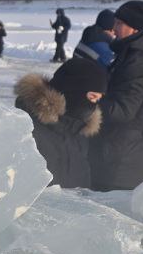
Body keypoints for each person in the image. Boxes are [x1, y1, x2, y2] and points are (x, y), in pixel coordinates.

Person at [88, 0, 143, 190]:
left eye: (119, 23)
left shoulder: (140, 62)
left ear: (135, 29)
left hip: (124, 159)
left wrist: (98, 101)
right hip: (124, 151)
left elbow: (125, 111)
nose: (114, 27)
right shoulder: (134, 54)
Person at [13, 59, 108, 188]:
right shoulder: (27, 127)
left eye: (98, 99)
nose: (94, 105)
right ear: (72, 90)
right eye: (92, 97)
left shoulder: (79, 131)